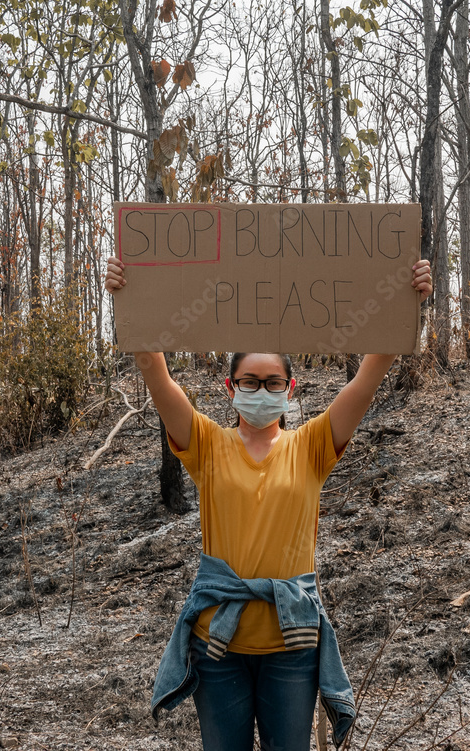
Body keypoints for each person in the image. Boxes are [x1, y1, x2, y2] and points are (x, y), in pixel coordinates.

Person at [104, 256, 431, 750]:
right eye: (250, 381)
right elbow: (156, 373)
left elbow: (369, 374)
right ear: (231, 387)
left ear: (289, 388)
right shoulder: (207, 445)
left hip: (292, 645)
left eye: (273, 381)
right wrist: (128, 299)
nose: (261, 390)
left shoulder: (312, 446)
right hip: (219, 645)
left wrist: (408, 303)